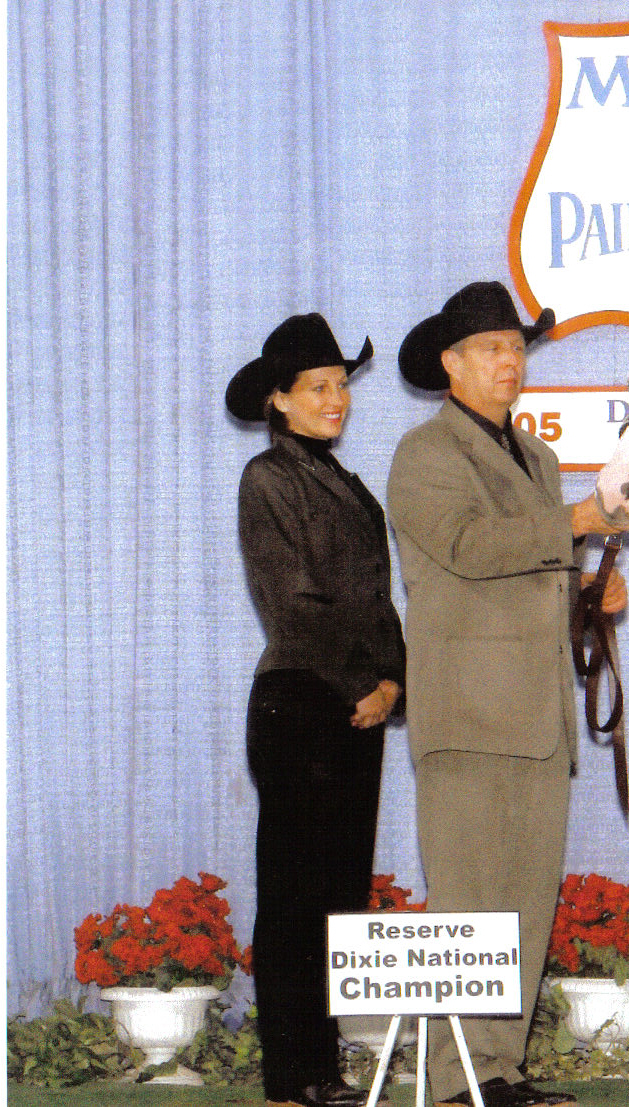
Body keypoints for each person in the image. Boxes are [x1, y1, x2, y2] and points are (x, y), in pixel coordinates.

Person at [387, 282, 629, 1107]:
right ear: (450, 364)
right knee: (468, 898)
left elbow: (529, 579)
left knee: (524, 899)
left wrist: (587, 600)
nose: (509, 359)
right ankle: (454, 1075)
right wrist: (571, 524)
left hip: (537, 713)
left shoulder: (539, 457)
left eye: (517, 346)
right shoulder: (424, 453)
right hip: (468, 712)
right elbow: (464, 547)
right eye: (492, 347)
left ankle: (498, 1068)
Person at [227, 313, 405, 1107]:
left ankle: (321, 1068)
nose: (336, 399)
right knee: (296, 894)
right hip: (300, 703)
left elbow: (376, 602)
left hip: (355, 705)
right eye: (318, 388)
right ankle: (290, 1073)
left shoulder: (348, 484)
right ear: (280, 401)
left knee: (338, 891)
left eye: (341, 386)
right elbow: (292, 603)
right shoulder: (268, 480)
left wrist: (394, 680)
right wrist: (357, 687)